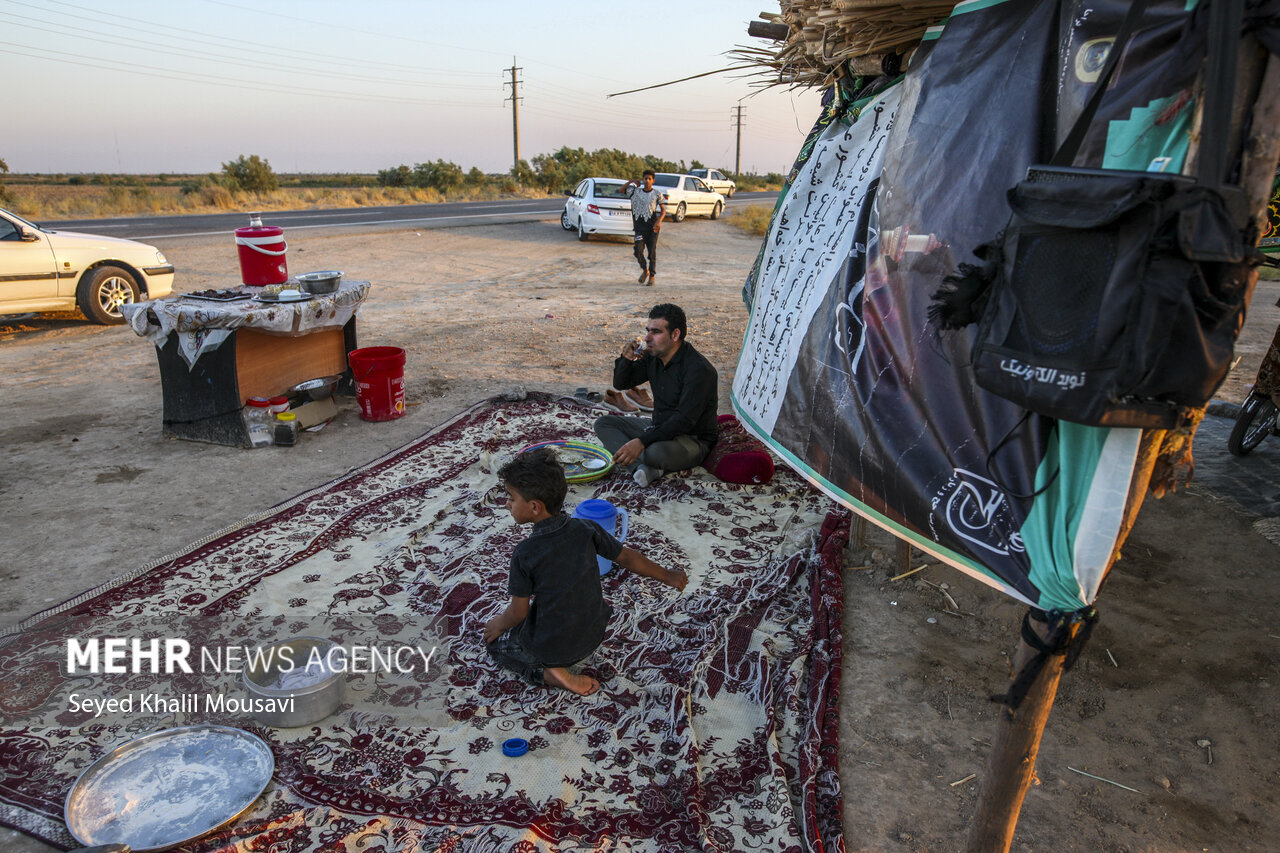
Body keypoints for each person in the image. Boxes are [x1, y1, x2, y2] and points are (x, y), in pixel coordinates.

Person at [483, 447, 687, 696]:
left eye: (511, 498)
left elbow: (518, 612)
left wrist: (498, 625)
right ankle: (555, 662)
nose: (507, 504)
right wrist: (667, 574)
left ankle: (550, 673)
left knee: (498, 646)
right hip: (593, 634)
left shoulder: (525, 553)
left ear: (535, 507)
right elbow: (627, 557)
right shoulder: (586, 528)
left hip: (556, 648)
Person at [594, 303, 718, 487]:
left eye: (656, 332)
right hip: (658, 426)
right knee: (603, 423)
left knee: (654, 452)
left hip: (691, 439)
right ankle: (640, 469)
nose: (647, 338)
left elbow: (684, 421)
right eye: (647, 330)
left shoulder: (698, 370)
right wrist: (626, 359)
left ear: (675, 335)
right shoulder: (654, 357)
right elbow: (621, 384)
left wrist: (641, 442)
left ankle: (645, 460)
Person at [623, 170, 666, 285]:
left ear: (653, 181)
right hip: (639, 229)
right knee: (638, 251)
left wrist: (659, 222)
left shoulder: (657, 194)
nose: (647, 181)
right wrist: (631, 182)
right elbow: (621, 190)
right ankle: (645, 270)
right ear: (643, 179)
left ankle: (652, 276)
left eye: (649, 179)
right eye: (645, 178)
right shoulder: (635, 192)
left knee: (651, 252)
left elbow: (663, 211)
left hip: (653, 228)